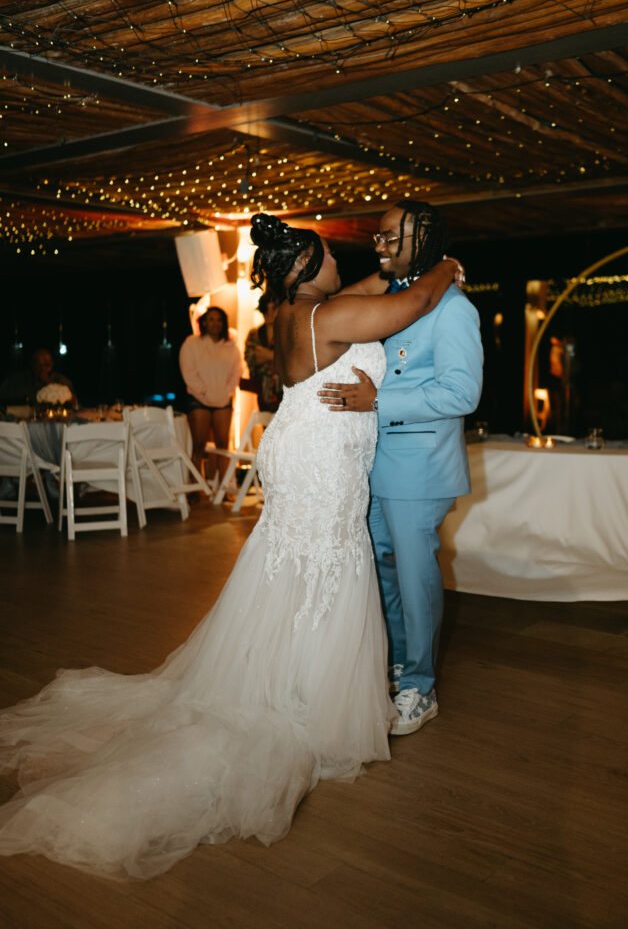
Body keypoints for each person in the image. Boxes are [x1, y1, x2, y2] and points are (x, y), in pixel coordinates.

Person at [0, 213, 462, 881]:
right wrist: (447, 270)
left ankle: (293, 679)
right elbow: (411, 303)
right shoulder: (328, 319)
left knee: (300, 561)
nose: (343, 262)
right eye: (331, 256)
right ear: (308, 270)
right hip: (321, 457)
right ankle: (303, 700)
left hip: (305, 446)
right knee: (325, 559)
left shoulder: (291, 309)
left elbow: (378, 282)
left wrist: (395, 266)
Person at [318, 200, 483, 736]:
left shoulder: (453, 308)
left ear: (424, 239)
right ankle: (396, 664)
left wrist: (378, 403)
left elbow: (463, 392)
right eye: (379, 238)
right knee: (382, 567)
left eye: (392, 237)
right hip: (375, 461)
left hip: (419, 465)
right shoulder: (398, 300)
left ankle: (420, 686)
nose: (381, 246)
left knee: (414, 576)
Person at [179, 306, 242, 481]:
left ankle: (224, 487)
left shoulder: (231, 348)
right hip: (199, 400)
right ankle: (194, 488)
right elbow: (188, 372)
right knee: (198, 445)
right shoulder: (191, 344)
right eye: (211, 319)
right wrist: (204, 392)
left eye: (219, 320)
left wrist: (226, 392)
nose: (215, 323)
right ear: (204, 322)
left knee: (223, 445)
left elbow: (236, 373)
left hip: (223, 400)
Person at [243, 289, 282, 412]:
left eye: (274, 308)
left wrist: (268, 355)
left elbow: (294, 360)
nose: (269, 313)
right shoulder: (255, 334)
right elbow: (251, 359)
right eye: (266, 309)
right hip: (263, 392)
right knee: (267, 429)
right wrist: (276, 357)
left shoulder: (289, 332)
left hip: (286, 392)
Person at [0, 347, 76, 407]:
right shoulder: (18, 380)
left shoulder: (62, 381)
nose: (42, 369)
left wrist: (50, 384)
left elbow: (73, 404)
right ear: (32, 365)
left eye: (46, 365)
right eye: (38, 365)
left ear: (52, 364)